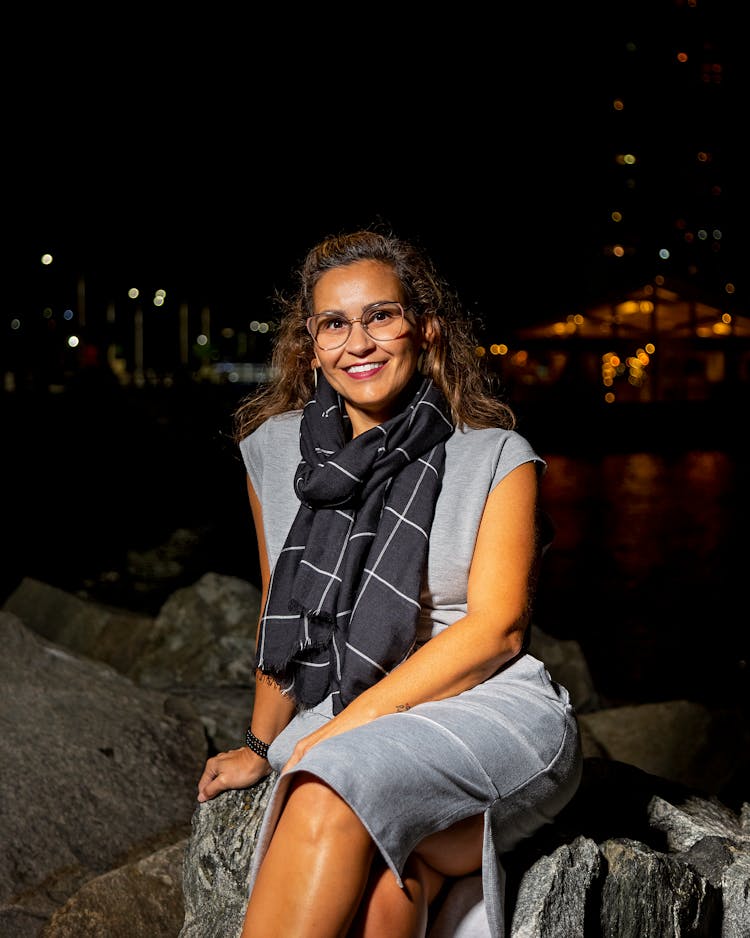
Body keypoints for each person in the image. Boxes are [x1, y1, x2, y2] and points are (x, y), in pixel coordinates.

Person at [196, 227, 582, 937]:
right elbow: (284, 611)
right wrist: (258, 744)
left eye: (381, 315)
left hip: (485, 708)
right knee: (384, 881)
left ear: (426, 329)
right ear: (311, 346)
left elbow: (496, 630)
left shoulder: (498, 455)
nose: (359, 342)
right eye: (335, 324)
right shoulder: (275, 453)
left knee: (329, 788)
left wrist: (338, 734)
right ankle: (430, 864)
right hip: (350, 706)